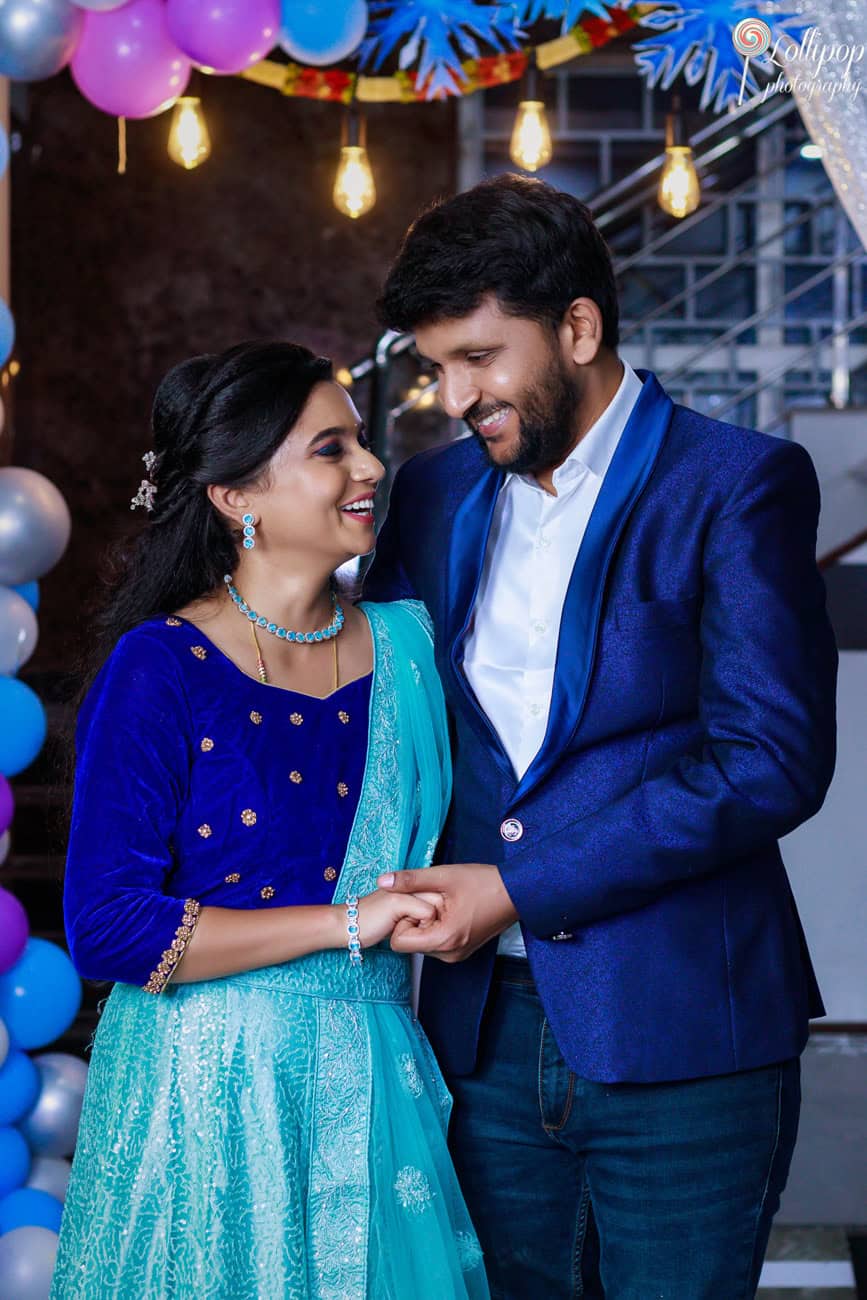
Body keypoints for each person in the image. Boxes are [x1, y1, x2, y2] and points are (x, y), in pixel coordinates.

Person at [364, 174, 839, 1299]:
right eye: (437, 366)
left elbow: (770, 760)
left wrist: (517, 884)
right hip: (477, 1037)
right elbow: (381, 708)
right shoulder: (431, 496)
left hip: (688, 1036)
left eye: (480, 357)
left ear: (578, 326)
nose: (453, 394)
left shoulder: (737, 483)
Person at [51, 342, 489, 1299]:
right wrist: (348, 925)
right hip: (202, 1093)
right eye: (330, 450)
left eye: (362, 442)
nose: (372, 468)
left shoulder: (410, 649)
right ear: (234, 496)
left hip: (373, 1083)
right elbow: (109, 926)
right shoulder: (161, 666)